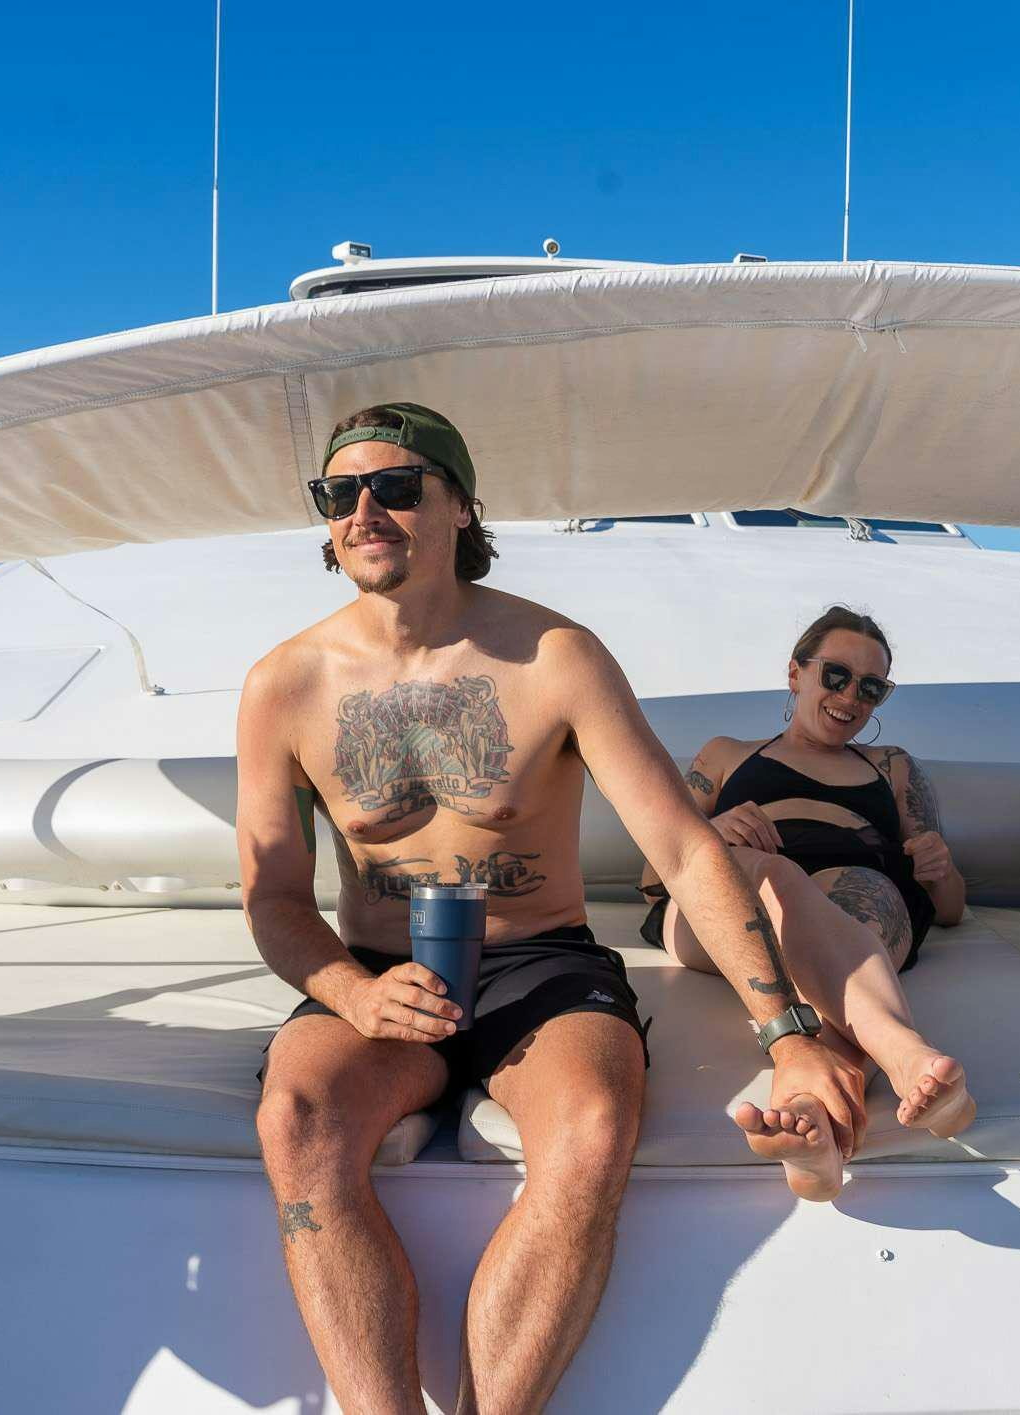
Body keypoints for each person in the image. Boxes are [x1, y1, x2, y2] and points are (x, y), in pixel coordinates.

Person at [237, 402, 860, 1415]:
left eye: (394, 487)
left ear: (457, 505)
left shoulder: (553, 654)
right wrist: (350, 992)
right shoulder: (282, 682)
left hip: (540, 962)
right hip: (378, 975)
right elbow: (270, 893)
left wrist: (787, 1031)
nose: (363, 510)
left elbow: (682, 842)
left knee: (594, 1122)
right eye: (338, 493)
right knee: (294, 1116)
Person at [639, 606, 975, 1188]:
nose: (853, 697)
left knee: (847, 899)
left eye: (873, 687)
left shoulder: (892, 765)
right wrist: (711, 833)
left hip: (857, 895)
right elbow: (652, 872)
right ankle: (903, 1051)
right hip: (732, 903)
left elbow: (948, 910)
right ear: (796, 673)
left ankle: (809, 1121)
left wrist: (941, 871)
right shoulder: (724, 754)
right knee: (770, 876)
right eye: (837, 675)